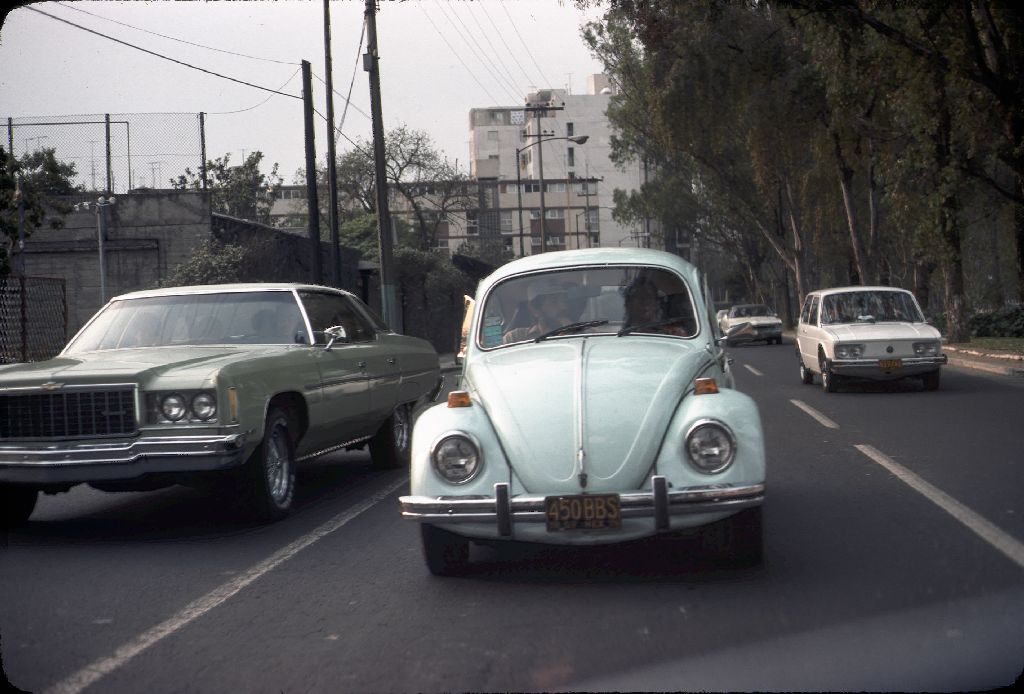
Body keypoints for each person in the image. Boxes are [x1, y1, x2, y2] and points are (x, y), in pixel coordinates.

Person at [502, 277, 574, 343]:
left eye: (565, 301)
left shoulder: (581, 333)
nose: (563, 307)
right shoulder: (514, 338)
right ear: (534, 309)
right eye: (554, 301)